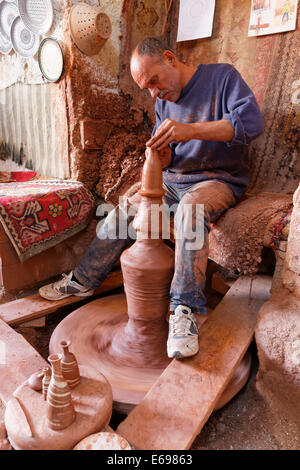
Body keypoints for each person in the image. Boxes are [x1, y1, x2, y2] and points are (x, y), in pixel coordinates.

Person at [39, 37, 264, 359]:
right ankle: (83, 280)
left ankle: (184, 310)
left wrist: (191, 130)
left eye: (155, 81)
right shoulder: (161, 102)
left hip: (218, 179)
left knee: (191, 211)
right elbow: (169, 157)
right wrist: (162, 155)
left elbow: (253, 124)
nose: (154, 93)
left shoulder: (222, 77)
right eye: (147, 88)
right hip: (174, 179)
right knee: (125, 209)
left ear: (170, 59)